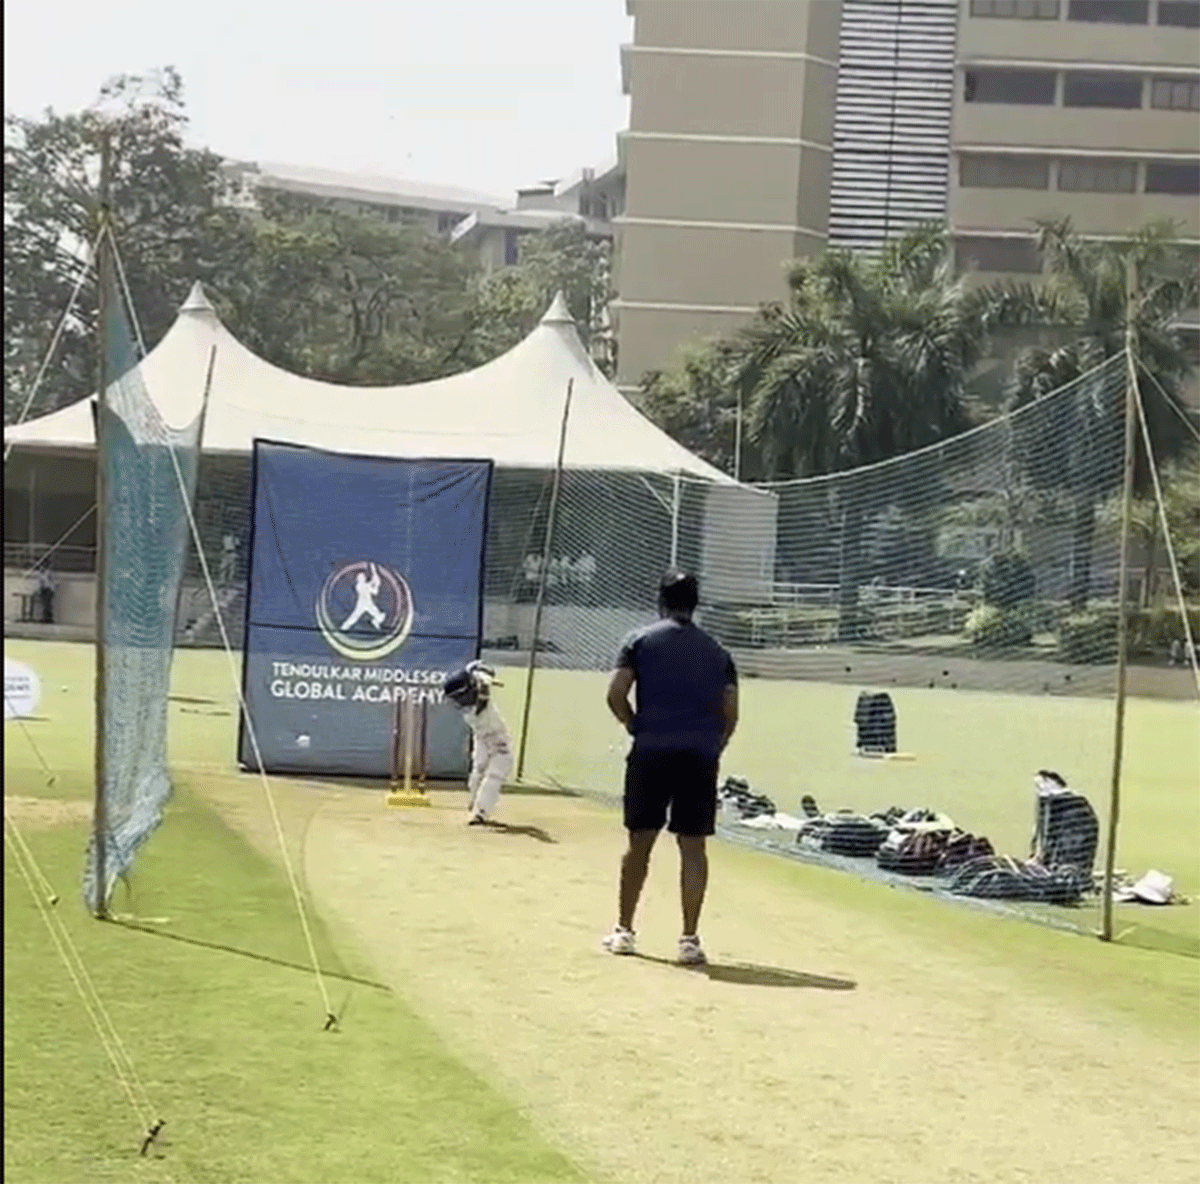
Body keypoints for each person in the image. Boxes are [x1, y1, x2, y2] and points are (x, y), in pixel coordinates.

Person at [601, 570, 739, 966]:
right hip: (699, 756)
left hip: (651, 752)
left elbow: (615, 694)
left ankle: (624, 931)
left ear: (660, 600)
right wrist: (715, 746)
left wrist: (634, 725)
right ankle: (689, 940)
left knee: (639, 843)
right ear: (695, 604)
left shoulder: (639, 641)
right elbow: (730, 712)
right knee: (693, 847)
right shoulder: (717, 651)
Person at [443, 659, 513, 826]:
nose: (458, 703)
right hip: (489, 740)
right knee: (485, 774)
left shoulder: (477, 702)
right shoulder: (474, 707)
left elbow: (479, 667)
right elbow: (476, 672)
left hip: (490, 741)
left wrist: (481, 675)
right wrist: (480, 678)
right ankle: (477, 806)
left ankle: (478, 808)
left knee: (486, 773)